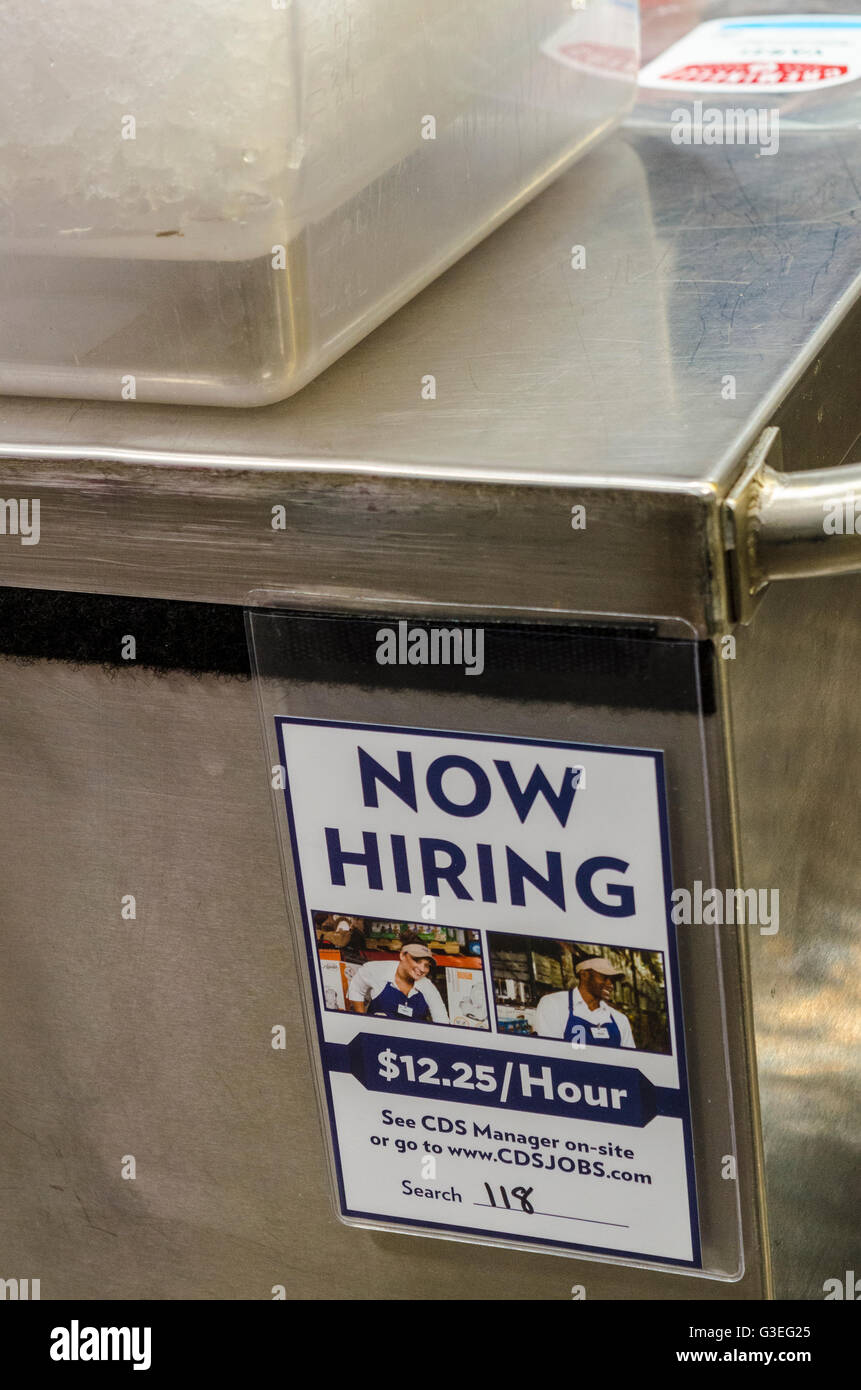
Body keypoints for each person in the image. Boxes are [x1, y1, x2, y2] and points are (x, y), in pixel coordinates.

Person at [534, 957, 635, 1048]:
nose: (611, 985)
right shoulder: (554, 1004)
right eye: (604, 978)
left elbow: (628, 1061)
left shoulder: (620, 1019)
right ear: (584, 975)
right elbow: (550, 1052)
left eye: (612, 980)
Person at [346, 943, 449, 1024]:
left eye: (427, 965)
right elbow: (356, 988)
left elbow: (441, 1019)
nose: (422, 969)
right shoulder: (376, 970)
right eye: (417, 961)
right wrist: (362, 1020)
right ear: (402, 955)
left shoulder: (427, 986)